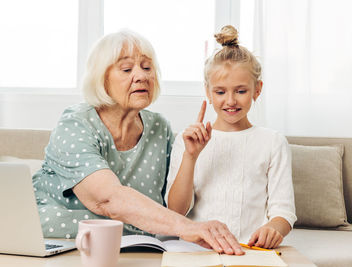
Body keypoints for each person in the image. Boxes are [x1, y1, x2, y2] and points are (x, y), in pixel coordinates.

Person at [32, 29, 243, 255]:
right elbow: (107, 199)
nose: (141, 76)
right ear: (101, 78)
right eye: (126, 69)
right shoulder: (75, 124)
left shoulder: (159, 128)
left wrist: (190, 156)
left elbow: (173, 207)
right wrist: (190, 228)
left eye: (146, 67)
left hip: (135, 247)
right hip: (62, 243)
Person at [165, 25, 297, 249]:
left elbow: (283, 212)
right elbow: (175, 212)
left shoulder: (273, 142)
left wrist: (274, 228)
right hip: (198, 250)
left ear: (257, 90)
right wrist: (191, 156)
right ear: (208, 92)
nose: (231, 101)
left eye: (241, 91)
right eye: (220, 92)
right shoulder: (187, 142)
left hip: (251, 250)